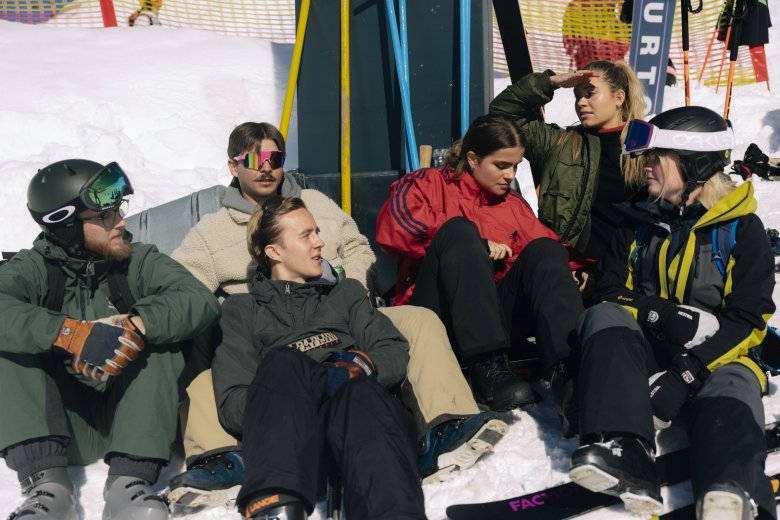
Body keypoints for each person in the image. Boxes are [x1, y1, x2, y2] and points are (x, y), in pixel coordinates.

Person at [166, 122, 506, 508]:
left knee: (418, 322)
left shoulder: (316, 202)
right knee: (220, 366)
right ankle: (223, 458)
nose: (266, 168)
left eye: (275, 158)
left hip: (337, 302)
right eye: (255, 160)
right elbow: (184, 285)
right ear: (233, 166)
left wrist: (351, 290)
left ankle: (445, 424)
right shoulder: (213, 232)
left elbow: (358, 246)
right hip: (268, 322)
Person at [570, 106, 777, 519]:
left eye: (655, 158)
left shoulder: (741, 231)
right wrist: (659, 313)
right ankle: (625, 450)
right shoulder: (639, 224)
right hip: (649, 351)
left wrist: (686, 374)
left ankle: (732, 488)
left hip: (718, 355)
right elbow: (610, 291)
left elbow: (748, 320)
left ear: (694, 164)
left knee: (734, 384)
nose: (645, 168)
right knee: (603, 317)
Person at [0, 160, 221, 520]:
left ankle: (129, 487)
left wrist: (137, 325)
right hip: (62, 429)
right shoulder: (30, 270)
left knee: (163, 336)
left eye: (118, 209)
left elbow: (199, 300)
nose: (119, 221)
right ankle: (48, 488)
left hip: (130, 426)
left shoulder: (139, 260)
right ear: (66, 225)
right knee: (10, 341)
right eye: (104, 216)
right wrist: (69, 334)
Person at [213, 195, 426, 519]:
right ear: (274, 252)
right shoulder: (243, 312)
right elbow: (232, 403)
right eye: (306, 235)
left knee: (358, 392)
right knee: (283, 363)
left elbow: (392, 350)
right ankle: (274, 509)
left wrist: (360, 366)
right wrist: (310, 385)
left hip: (370, 436)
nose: (320, 243)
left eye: (317, 232)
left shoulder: (345, 293)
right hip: (295, 450)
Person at [376, 113, 588, 433]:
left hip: (489, 313)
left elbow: (546, 245)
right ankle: (487, 368)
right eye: (501, 165)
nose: (510, 175)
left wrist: (576, 270)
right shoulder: (425, 183)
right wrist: (477, 242)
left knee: (547, 252)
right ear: (473, 159)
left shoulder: (512, 203)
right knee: (460, 233)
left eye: (515, 166)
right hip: (435, 313)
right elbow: (395, 229)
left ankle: (568, 377)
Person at [489, 60, 646, 264]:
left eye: (589, 93)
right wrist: (551, 82)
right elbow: (502, 113)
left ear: (619, 98)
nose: (581, 102)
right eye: (577, 95)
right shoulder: (560, 144)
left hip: (625, 273)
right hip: (567, 269)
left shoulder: (644, 150)